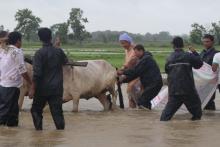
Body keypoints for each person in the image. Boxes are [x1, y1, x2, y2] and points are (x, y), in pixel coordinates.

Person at [29, 28, 68, 130]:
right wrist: (57, 47)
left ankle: (38, 132)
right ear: (51, 37)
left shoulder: (39, 54)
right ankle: (60, 134)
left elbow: (37, 73)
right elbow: (65, 61)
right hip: (57, 88)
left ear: (40, 39)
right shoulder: (59, 51)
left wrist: (32, 88)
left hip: (41, 89)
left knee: (36, 110)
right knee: (57, 112)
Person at [160, 37, 203, 121]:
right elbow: (199, 64)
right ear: (182, 45)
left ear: (173, 45)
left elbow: (167, 71)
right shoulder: (189, 56)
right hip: (188, 90)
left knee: (164, 118)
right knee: (197, 115)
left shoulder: (169, 58)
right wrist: (194, 52)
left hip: (174, 91)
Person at [0, 31, 32, 126]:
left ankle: (11, 131)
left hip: (4, 84)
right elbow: (22, 70)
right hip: (11, 85)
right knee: (4, 111)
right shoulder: (17, 51)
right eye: (21, 40)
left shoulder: (4, 50)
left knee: (13, 110)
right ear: (18, 41)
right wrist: (31, 82)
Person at [117, 44, 163, 110]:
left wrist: (123, 72)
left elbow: (135, 71)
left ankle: (144, 117)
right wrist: (123, 80)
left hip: (154, 84)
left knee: (142, 102)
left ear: (141, 51)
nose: (135, 54)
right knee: (145, 102)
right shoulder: (143, 59)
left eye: (136, 52)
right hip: (151, 84)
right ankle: (148, 117)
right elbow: (135, 74)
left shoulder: (146, 59)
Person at [189, 34, 218, 110]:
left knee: (209, 99)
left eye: (207, 41)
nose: (205, 43)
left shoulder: (216, 54)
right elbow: (199, 62)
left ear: (212, 42)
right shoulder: (202, 52)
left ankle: (211, 116)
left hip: (211, 81)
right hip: (202, 80)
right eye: (204, 42)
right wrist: (194, 53)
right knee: (201, 98)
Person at [119, 33, 141, 108]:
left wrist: (121, 70)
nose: (122, 45)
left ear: (128, 42)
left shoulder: (134, 50)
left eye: (123, 43)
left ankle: (140, 107)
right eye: (121, 43)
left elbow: (129, 63)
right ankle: (132, 113)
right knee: (130, 96)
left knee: (131, 89)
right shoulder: (126, 50)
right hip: (131, 74)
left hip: (139, 74)